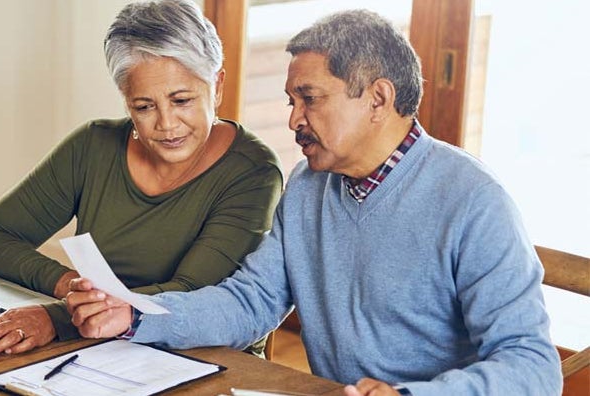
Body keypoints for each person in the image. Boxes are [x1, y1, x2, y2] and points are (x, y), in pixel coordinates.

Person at [66, 9, 562, 396]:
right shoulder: (307, 185)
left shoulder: (474, 202)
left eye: (310, 99)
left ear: (378, 98)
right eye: (290, 101)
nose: (293, 120)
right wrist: (135, 316)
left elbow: (532, 367)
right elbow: (251, 301)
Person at [0, 0, 283, 358]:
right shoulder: (93, 146)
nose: (166, 124)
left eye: (181, 100)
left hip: (203, 359)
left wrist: (58, 318)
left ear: (217, 85)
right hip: (99, 350)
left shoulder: (252, 172)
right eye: (144, 106)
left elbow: (193, 294)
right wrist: (71, 287)